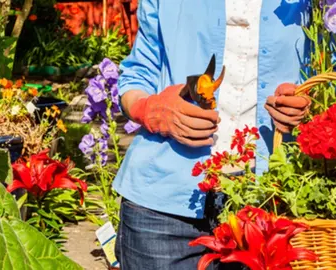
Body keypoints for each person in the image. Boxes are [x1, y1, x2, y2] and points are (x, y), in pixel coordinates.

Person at [112, 0, 321, 269]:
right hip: (164, 208)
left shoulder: (323, 4)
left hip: (273, 207)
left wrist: (311, 105)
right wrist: (148, 109)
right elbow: (139, 72)